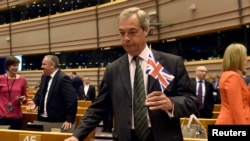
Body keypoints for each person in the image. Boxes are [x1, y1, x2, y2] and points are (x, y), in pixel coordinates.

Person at [64, 7, 197, 141]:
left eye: (132, 32)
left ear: (146, 30)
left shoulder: (171, 63)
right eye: (122, 33)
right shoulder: (113, 69)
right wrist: (77, 135)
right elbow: (98, 108)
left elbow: (191, 101)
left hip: (163, 136)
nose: (126, 38)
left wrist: (171, 103)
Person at [26, 55, 77, 131]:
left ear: (52, 65)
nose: (41, 66)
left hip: (57, 120)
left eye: (44, 64)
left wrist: (69, 119)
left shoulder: (63, 78)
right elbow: (40, 92)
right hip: (42, 117)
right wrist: (35, 102)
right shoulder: (44, 76)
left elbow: (71, 100)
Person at [216, 43, 250, 124]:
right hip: (233, 122)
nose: (247, 58)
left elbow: (242, 97)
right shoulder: (232, 76)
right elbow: (236, 109)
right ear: (237, 58)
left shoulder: (228, 74)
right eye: (244, 55)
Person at [0, 55, 27, 129]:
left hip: (16, 116)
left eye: (17, 65)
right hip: (2, 115)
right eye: (13, 65)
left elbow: (25, 97)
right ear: (8, 66)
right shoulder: (1, 78)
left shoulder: (22, 80)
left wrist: (22, 99)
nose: (16, 67)